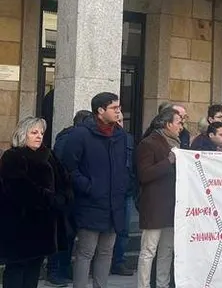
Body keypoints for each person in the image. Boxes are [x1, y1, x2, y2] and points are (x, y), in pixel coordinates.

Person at [63, 92, 130, 288]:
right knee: (85, 253)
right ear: (100, 111)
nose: (119, 112)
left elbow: (124, 166)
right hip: (90, 204)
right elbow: (69, 167)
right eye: (114, 108)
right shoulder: (81, 134)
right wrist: (88, 186)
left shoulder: (120, 135)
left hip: (114, 205)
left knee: (106, 252)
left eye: (119, 108)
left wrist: (122, 186)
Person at [0, 117, 72, 288]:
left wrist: (63, 198)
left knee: (34, 269)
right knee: (16, 269)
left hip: (45, 226)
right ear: (23, 134)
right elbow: (18, 188)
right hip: (19, 226)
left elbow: (65, 181)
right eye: (34, 132)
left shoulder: (49, 155)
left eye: (41, 132)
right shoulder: (13, 156)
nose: (39, 136)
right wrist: (50, 199)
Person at [136, 108, 183, 288]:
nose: (181, 126)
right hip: (155, 206)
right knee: (149, 251)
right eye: (178, 122)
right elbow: (144, 174)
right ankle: (144, 285)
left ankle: (162, 284)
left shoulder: (177, 143)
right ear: (167, 124)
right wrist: (168, 161)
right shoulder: (149, 143)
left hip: (172, 206)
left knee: (167, 251)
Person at [47, 110, 91, 286]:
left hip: (72, 194)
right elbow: (64, 165)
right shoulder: (68, 138)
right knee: (62, 234)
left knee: (69, 234)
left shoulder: (70, 137)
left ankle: (63, 269)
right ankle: (55, 271)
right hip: (66, 194)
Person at [111, 113, 136, 277]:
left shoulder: (129, 139)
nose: (119, 124)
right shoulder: (107, 139)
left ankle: (118, 262)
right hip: (110, 191)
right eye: (116, 121)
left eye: (121, 120)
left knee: (124, 230)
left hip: (126, 191)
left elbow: (133, 164)